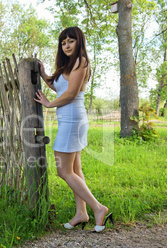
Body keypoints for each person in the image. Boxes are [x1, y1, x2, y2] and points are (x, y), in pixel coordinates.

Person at [34, 26, 113, 232]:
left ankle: (98, 208)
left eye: (71, 41)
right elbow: (60, 87)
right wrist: (44, 75)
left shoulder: (81, 61)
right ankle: (81, 213)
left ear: (79, 42)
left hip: (72, 120)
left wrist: (49, 104)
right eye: (63, 42)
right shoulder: (69, 65)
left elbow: (70, 94)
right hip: (71, 120)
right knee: (76, 170)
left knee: (63, 170)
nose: (67, 45)